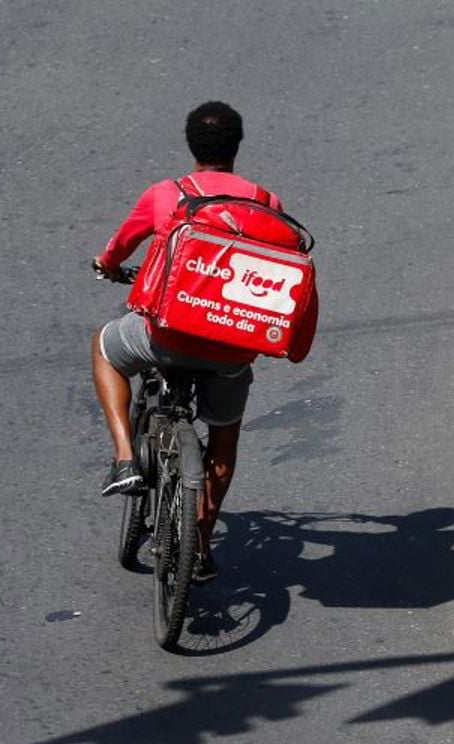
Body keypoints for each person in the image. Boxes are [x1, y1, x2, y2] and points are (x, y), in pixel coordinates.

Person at [90, 101, 317, 583]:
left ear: (191, 144)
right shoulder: (265, 201)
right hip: (232, 350)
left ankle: (125, 458)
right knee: (225, 436)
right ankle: (199, 544)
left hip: (165, 336)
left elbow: (119, 248)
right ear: (236, 147)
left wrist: (107, 266)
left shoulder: (167, 194)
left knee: (106, 348)